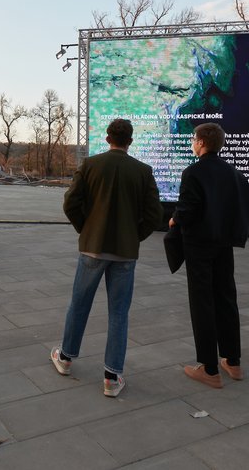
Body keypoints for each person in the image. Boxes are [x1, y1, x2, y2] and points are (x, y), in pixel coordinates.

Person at [51, 118, 163, 397]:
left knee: (79, 304)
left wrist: (85, 229)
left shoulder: (91, 165)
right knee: (119, 312)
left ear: (107, 138)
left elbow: (70, 203)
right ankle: (112, 377)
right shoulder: (143, 171)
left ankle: (65, 358)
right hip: (125, 252)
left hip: (92, 247)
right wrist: (134, 235)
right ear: (131, 141)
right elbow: (154, 214)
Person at [170, 122, 249, 389]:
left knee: (202, 301)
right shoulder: (234, 173)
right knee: (227, 298)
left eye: (194, 139)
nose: (192, 143)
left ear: (202, 143)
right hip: (224, 245)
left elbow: (189, 208)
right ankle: (233, 361)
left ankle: (209, 368)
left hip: (199, 245)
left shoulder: (193, 172)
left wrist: (175, 220)